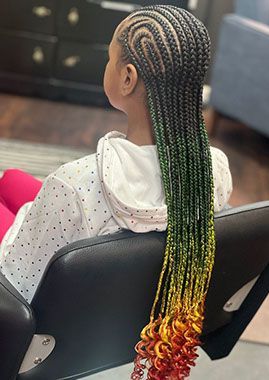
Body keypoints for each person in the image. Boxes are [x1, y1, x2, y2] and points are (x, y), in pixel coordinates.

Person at [0, 5, 232, 379]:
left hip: (30, 295)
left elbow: (17, 282)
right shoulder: (213, 169)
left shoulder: (75, 182)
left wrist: (24, 220)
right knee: (11, 178)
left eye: (109, 57)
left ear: (127, 78)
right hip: (119, 303)